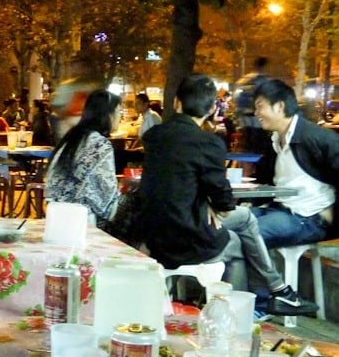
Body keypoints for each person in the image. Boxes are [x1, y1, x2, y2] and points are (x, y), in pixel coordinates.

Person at [135, 74, 316, 315]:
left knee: (240, 227)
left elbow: (177, 180)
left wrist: (207, 201)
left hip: (152, 233)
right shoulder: (207, 143)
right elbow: (224, 202)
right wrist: (211, 202)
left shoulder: (154, 137)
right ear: (211, 108)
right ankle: (247, 309)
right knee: (244, 226)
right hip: (185, 236)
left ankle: (272, 294)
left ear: (177, 102)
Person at [251, 79, 338, 248]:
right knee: (223, 227)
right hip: (277, 209)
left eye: (259, 106)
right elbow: (262, 178)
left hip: (308, 218)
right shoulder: (275, 141)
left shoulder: (316, 138)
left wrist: (333, 215)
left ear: (279, 107)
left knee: (245, 234)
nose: (256, 113)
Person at [46, 89, 121, 229]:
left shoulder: (71, 138)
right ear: (107, 114)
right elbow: (107, 195)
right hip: (83, 221)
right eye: (118, 112)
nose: (120, 117)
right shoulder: (100, 145)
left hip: (55, 214)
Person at [234, 56, 271, 153]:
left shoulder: (245, 80)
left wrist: (239, 112)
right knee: (258, 142)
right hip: (258, 118)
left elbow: (237, 97)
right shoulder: (265, 81)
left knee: (248, 142)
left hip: (246, 117)